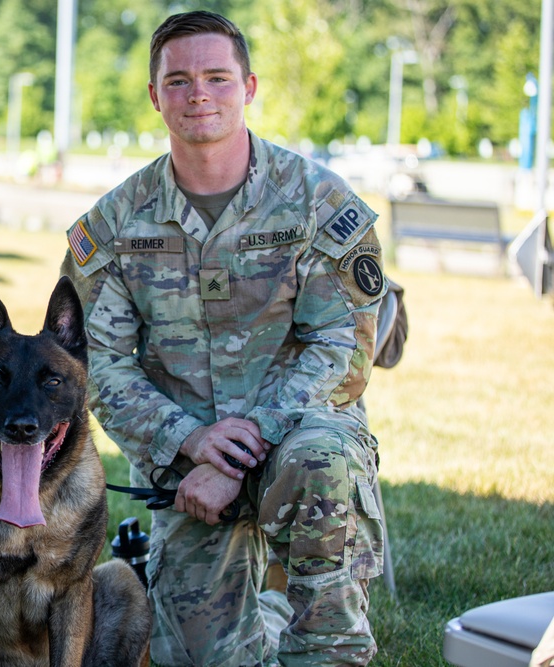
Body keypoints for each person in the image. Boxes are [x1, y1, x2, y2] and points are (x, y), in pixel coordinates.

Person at [61, 10, 386, 667]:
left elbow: (342, 349)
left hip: (298, 438)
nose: (198, 94)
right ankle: (261, 605)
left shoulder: (316, 200)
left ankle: (326, 647)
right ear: (155, 96)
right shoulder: (116, 224)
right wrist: (189, 440)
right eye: (178, 81)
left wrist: (241, 444)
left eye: (216, 77)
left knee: (319, 461)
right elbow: (95, 365)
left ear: (249, 86)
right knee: (204, 657)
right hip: (184, 460)